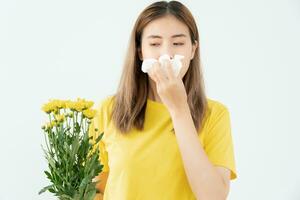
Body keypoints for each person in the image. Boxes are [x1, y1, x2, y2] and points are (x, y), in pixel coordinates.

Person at [90, 1, 237, 199]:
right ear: (140, 51)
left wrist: (179, 110)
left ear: (193, 49)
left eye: (178, 43)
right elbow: (92, 193)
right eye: (154, 44)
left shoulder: (215, 115)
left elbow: (213, 196)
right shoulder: (107, 111)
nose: (166, 54)